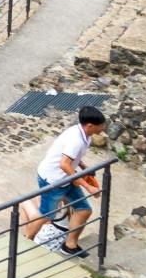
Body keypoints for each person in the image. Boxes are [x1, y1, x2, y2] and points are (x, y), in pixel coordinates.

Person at [20, 105, 104, 257]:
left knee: (84, 210)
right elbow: (64, 164)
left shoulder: (84, 135)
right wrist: (88, 187)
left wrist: (83, 166)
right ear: (90, 125)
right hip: (53, 180)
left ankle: (69, 245)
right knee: (46, 215)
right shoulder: (76, 140)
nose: (103, 128)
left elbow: (72, 157)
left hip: (64, 179)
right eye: (101, 125)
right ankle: (26, 242)